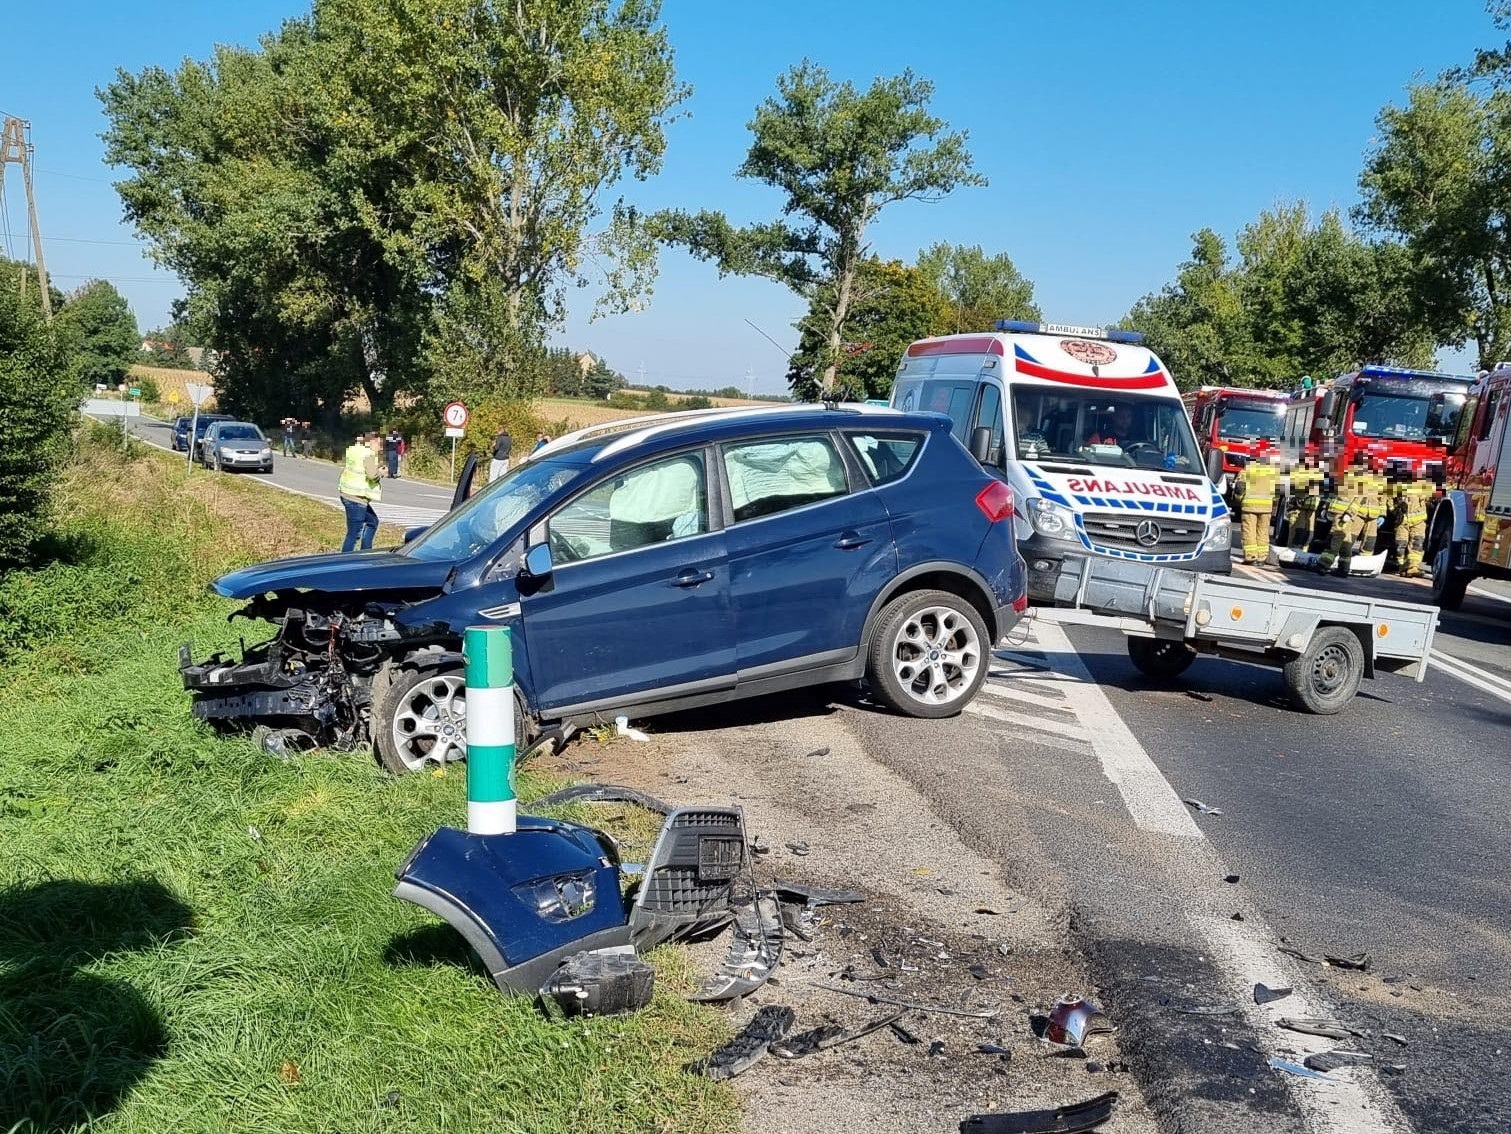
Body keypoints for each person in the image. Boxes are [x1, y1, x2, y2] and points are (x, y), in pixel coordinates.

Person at [1318, 454, 1369, 575]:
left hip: (1344, 515)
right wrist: (1326, 507)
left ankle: (1324, 564)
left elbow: (1359, 500)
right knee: (1345, 540)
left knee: (1335, 538)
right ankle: (1344, 567)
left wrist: (1349, 514)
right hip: (1338, 513)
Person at [339, 431, 385, 553]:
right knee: (354, 534)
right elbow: (372, 475)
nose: (380, 447)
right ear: (371, 442)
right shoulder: (368, 454)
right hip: (357, 498)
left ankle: (366, 552)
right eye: (379, 444)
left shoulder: (354, 449)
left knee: (372, 521)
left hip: (347, 493)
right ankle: (345, 560)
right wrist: (381, 472)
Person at [1234, 451, 1279, 565]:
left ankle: (1251, 556)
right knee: (1263, 532)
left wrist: (1239, 499)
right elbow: (1277, 493)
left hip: (1250, 506)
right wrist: (1272, 504)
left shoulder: (1246, 472)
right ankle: (1261, 558)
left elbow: (1239, 488)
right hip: (1266, 508)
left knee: (1249, 531)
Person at [1390, 466, 1434, 577]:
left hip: (1419, 522)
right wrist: (1394, 510)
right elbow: (1389, 498)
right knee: (1401, 545)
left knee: (1417, 544)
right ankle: (1402, 566)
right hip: (1402, 522)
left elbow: (1431, 500)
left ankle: (1413, 567)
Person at [1285, 453, 1324, 552]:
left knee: (1308, 534)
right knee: (1297, 531)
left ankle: (1303, 554)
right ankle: (1291, 552)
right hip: (1299, 506)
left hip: (1311, 507)